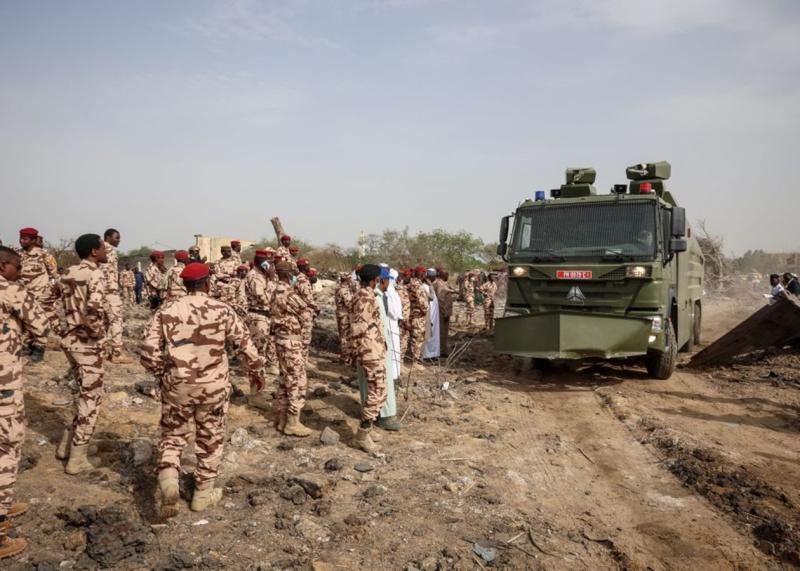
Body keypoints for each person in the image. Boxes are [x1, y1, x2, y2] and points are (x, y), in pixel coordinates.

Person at [140, 262, 265, 516]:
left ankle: (169, 483)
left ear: (185, 285)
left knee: (173, 436)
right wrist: (257, 371)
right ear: (207, 283)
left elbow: (149, 351)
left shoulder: (167, 309)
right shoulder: (222, 309)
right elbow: (245, 345)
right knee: (210, 439)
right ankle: (202, 495)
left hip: (179, 385)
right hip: (214, 387)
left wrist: (162, 373)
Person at [0, 246, 49, 559]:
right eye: (17, 267)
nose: (20, 272)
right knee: (6, 445)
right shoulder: (10, 290)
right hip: (3, 383)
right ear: (4, 266)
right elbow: (40, 324)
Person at [57, 234, 109, 474]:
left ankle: (67, 446)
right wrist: (96, 333)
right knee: (91, 399)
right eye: (102, 247)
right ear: (93, 252)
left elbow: (45, 300)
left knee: (82, 393)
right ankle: (77, 458)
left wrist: (61, 328)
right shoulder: (96, 274)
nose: (105, 250)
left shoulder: (67, 273)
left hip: (70, 340)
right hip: (87, 345)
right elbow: (95, 308)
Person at [270, 261, 312, 436]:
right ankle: (293, 422)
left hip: (280, 340)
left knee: (284, 379)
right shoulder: (289, 293)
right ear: (289, 275)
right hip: (291, 341)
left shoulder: (274, 291)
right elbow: (306, 313)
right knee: (297, 381)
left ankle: (282, 418)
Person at [350, 264, 388, 453]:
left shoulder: (365, 294)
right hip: (370, 350)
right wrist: (359, 351)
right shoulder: (365, 297)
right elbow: (359, 327)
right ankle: (362, 435)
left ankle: (368, 428)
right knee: (377, 390)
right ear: (375, 280)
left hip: (374, 348)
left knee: (379, 389)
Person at [368, 268, 401, 431]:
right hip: (375, 348)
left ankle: (373, 416)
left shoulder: (376, 296)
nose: (390, 283)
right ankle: (383, 417)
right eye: (388, 280)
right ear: (381, 280)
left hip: (376, 346)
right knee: (381, 383)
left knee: (375, 383)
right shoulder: (373, 297)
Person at [244, 250, 278, 401]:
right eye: (268, 262)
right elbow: (264, 299)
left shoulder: (261, 275)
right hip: (258, 317)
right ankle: (256, 394)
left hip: (262, 317)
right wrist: (271, 281)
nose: (271, 266)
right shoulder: (255, 276)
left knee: (260, 355)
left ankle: (258, 391)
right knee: (257, 356)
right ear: (261, 261)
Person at [17, 227, 59, 339]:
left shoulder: (44, 255)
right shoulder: (17, 255)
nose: (22, 241)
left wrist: (48, 294)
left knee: (44, 322)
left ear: (33, 240)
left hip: (41, 296)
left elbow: (55, 276)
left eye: (25, 239)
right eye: (21, 238)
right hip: (23, 295)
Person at [101, 228, 132, 364]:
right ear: (108, 237)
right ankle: (117, 353)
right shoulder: (110, 250)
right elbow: (106, 271)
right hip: (109, 291)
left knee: (103, 322)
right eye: (117, 237)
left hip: (101, 291)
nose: (119, 240)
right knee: (116, 321)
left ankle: (100, 351)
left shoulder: (100, 248)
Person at [295, 258, 319, 361]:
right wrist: (316, 307)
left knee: (304, 336)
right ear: (303, 267)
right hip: (304, 311)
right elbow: (307, 298)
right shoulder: (302, 279)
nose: (308, 267)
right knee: (305, 337)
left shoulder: (299, 278)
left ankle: (304, 359)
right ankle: (302, 360)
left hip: (303, 311)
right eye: (307, 266)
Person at [406, 266, 429, 363]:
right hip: (418, 316)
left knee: (414, 338)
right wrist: (426, 309)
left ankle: (413, 359)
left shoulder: (411, 283)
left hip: (412, 314)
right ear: (422, 274)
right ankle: (414, 361)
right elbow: (422, 303)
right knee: (417, 338)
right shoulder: (417, 285)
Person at [433, 269, 455, 356]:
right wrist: (444, 312)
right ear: (443, 275)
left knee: (444, 332)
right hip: (442, 312)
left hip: (445, 312)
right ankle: (441, 351)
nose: (448, 277)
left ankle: (443, 349)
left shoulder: (443, 283)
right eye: (447, 275)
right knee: (442, 332)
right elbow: (441, 299)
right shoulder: (440, 284)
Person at [334, 272, 354, 364]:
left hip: (341, 314)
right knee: (345, 337)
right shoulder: (344, 290)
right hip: (345, 316)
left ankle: (344, 356)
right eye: (350, 279)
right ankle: (345, 358)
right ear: (346, 280)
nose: (351, 280)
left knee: (343, 336)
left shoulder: (339, 288)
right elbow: (349, 304)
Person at [421, 269, 440, 360]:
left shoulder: (429, 286)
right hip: (429, 313)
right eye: (433, 276)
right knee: (429, 333)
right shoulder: (425, 286)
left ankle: (433, 354)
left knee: (434, 333)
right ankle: (427, 355)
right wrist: (431, 286)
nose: (435, 278)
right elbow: (431, 298)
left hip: (434, 314)